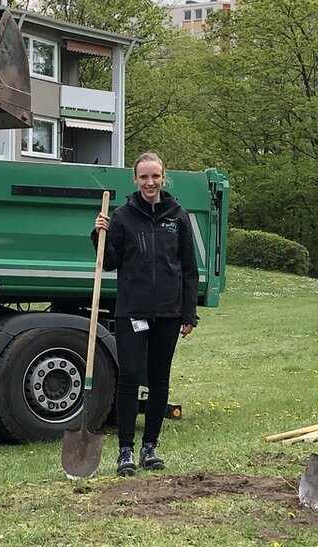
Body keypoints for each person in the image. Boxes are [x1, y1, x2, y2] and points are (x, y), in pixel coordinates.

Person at [91, 152, 200, 477]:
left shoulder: (177, 216)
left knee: (159, 379)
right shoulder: (123, 216)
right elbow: (110, 262)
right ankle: (125, 450)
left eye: (155, 176)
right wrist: (99, 236)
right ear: (135, 180)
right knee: (130, 376)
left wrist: (188, 313)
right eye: (144, 177)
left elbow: (190, 270)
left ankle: (149, 446)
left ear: (163, 178)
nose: (150, 183)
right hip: (132, 311)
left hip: (168, 312)